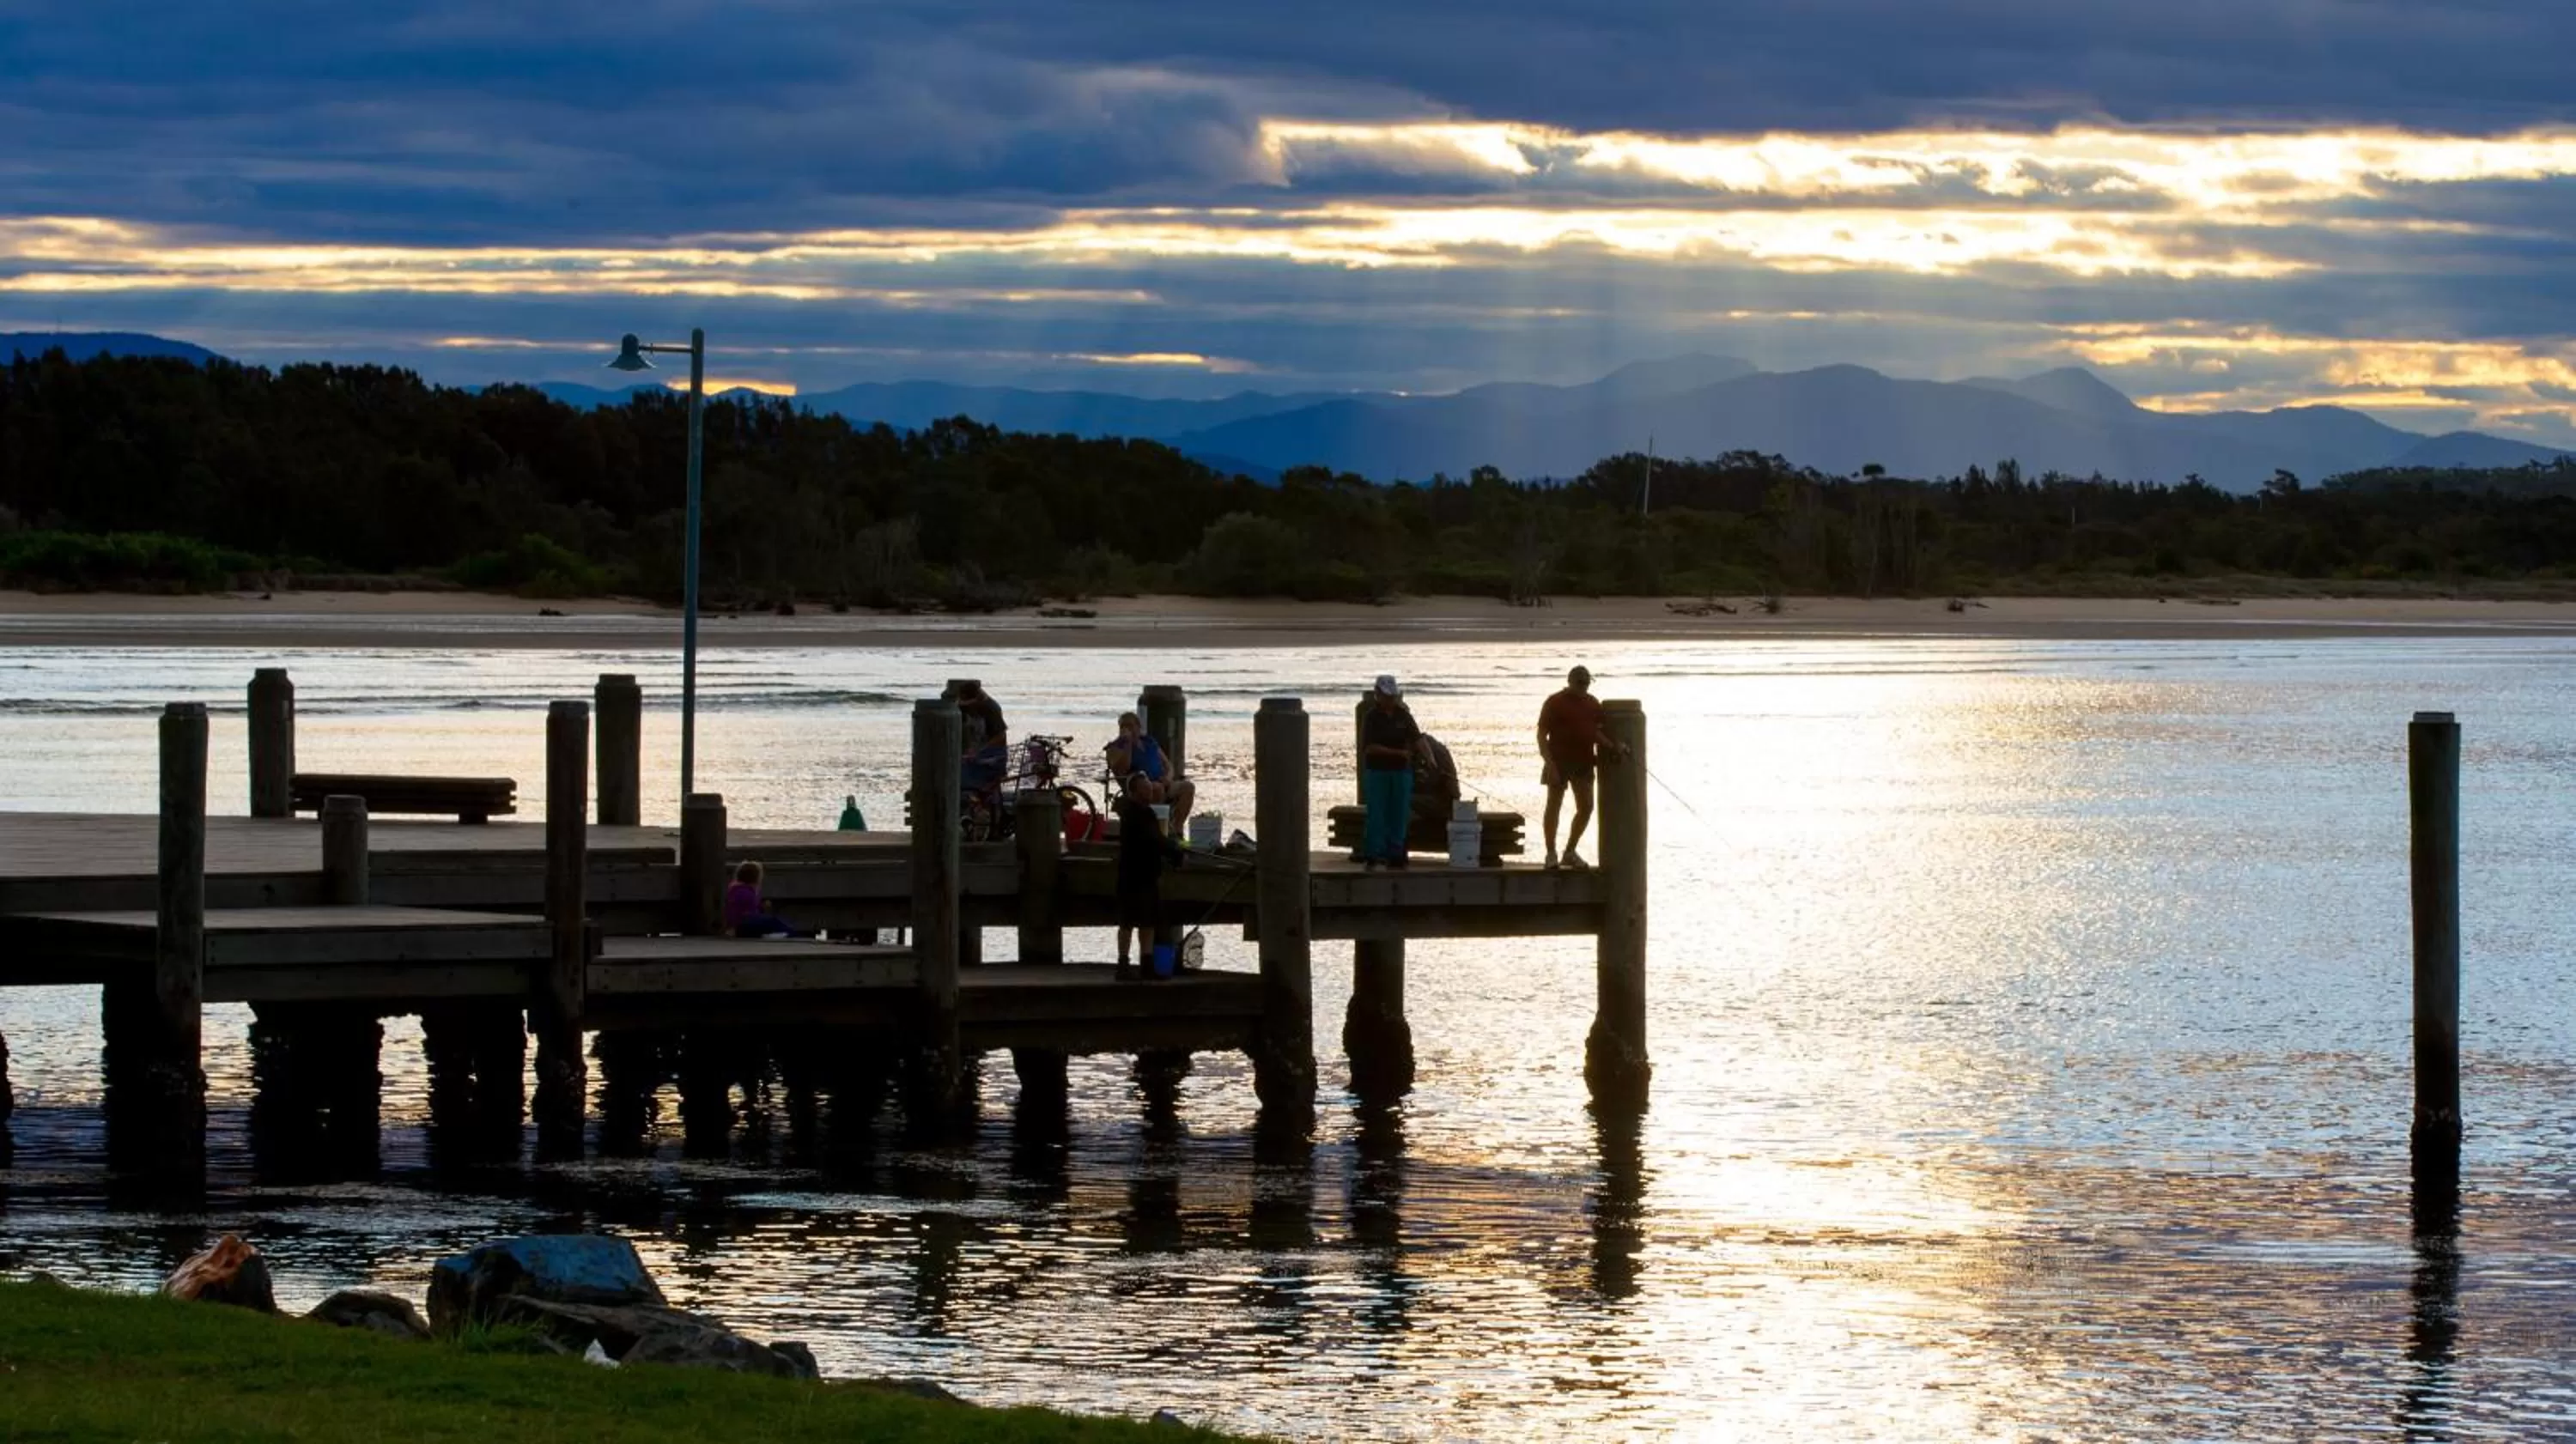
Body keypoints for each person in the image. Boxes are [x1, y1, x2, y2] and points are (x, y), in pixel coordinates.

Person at [1536, 664, 1626, 868]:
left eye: (1587, 683)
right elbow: (1542, 735)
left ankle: (1570, 851)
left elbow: (1595, 732)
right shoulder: (1554, 702)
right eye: (1580, 683)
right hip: (1558, 760)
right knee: (1554, 806)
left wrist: (1613, 746)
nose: (1584, 686)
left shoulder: (1593, 703)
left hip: (1584, 761)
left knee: (1586, 807)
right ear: (1570, 681)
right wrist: (1549, 764)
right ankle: (1551, 853)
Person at [1113, 774, 1184, 979]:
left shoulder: (1149, 813)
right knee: (1127, 922)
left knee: (1148, 922)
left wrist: (1172, 849)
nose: (1150, 791)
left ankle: (1146, 963)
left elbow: (1158, 839)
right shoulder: (1131, 814)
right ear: (1134, 792)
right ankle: (1123, 964)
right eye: (1145, 789)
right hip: (1131, 876)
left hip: (1148, 876)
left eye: (1150, 788)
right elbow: (1153, 840)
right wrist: (1173, 850)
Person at [1359, 674, 1421, 869]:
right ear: (1377, 694)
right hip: (1377, 771)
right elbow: (1369, 747)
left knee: (1400, 813)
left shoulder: (1404, 715)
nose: (1390, 700)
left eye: (1392, 696)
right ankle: (1373, 853)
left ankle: (1396, 852)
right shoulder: (1371, 718)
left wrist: (1430, 758)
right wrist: (1398, 753)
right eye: (1386, 696)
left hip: (1401, 772)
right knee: (1377, 813)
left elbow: (1417, 738)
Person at [1104, 711, 1196, 833]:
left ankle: (1176, 829)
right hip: (1138, 787)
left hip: (1161, 781)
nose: (1127, 729)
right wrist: (1128, 744)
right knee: (1156, 788)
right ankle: (1159, 830)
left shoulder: (1149, 741)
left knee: (1188, 787)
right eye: (1123, 726)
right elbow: (1123, 769)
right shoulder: (1115, 747)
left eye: (1130, 726)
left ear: (1138, 727)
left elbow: (1168, 764)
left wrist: (1168, 778)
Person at [722, 859, 799, 937]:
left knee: (773, 921)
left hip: (743, 925)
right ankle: (795, 936)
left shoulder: (738, 890)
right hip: (743, 926)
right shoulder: (744, 893)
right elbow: (744, 914)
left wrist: (761, 907)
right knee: (773, 921)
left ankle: (791, 934)